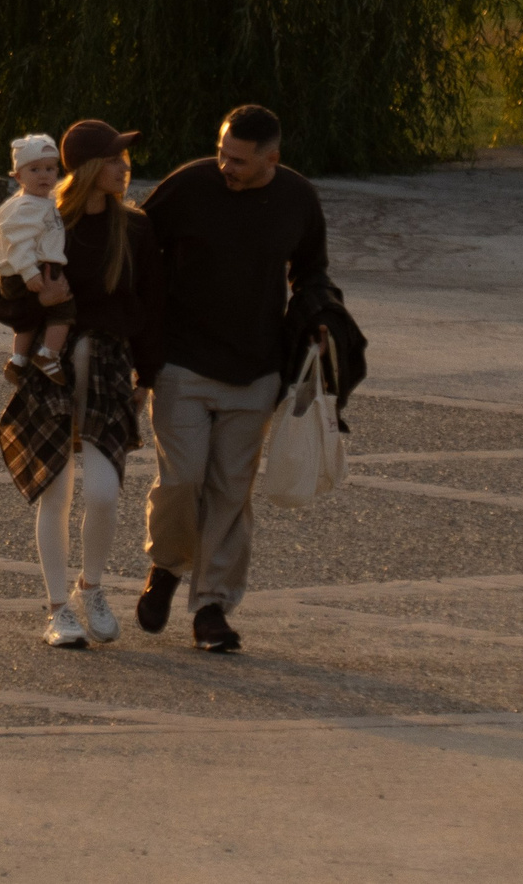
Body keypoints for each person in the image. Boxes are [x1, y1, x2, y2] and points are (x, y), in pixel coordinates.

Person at [134, 103, 340, 653]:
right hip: (182, 363)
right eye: (222, 153)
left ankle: (211, 608)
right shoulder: (188, 187)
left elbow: (312, 270)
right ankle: (167, 565)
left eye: (240, 161)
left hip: (256, 369)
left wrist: (318, 317)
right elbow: (137, 248)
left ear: (272, 158)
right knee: (182, 479)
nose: (226, 166)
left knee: (230, 490)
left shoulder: (297, 198)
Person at [0, 118, 161, 648]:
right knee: (56, 489)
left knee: (106, 492)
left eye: (125, 159)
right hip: (53, 365)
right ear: (89, 168)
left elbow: (151, 307)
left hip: (110, 368)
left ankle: (92, 588)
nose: (124, 168)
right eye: (114, 160)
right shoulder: (45, 217)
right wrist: (36, 300)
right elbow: (0, 294)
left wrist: (148, 375)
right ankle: (58, 609)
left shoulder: (133, 227)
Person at [0, 134, 74, 385]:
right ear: (19, 177)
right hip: (29, 269)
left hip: (29, 268)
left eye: (50, 169)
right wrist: (29, 272)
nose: (44, 175)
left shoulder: (42, 202)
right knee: (63, 308)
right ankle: (48, 354)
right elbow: (18, 242)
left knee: (29, 319)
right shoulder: (25, 207)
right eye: (35, 169)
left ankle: (19, 359)